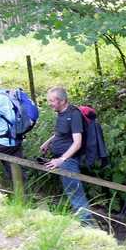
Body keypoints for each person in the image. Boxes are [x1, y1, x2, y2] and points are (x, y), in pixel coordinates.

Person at [39, 86, 94, 226]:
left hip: (68, 161)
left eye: (52, 101)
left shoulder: (74, 115)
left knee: (75, 193)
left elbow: (77, 143)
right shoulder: (61, 113)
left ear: (62, 101)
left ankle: (88, 226)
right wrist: (48, 142)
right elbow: (60, 133)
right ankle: (82, 221)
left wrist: (61, 160)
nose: (49, 103)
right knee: (71, 191)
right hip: (60, 159)